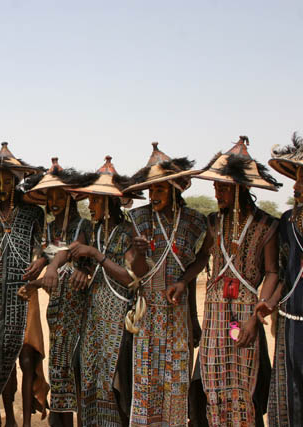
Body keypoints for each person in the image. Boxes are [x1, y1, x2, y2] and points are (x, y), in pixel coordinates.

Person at [123, 142, 212, 426]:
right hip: (147, 314)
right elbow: (138, 272)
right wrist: (138, 253)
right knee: (146, 382)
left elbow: (199, 261)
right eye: (150, 190)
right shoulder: (138, 219)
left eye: (159, 189)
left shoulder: (194, 222)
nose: (153, 195)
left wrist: (188, 295)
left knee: (176, 382)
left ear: (175, 190)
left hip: (178, 314)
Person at [193, 136, 280, 425]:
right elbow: (202, 258)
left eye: (223, 187)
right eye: (215, 186)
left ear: (241, 188)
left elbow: (272, 272)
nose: (217, 192)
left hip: (246, 315)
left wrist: (257, 315)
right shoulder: (213, 222)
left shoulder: (266, 225)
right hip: (214, 314)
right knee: (213, 387)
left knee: (244, 389)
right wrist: (182, 281)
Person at [64, 156, 143, 426]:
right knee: (88, 375)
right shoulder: (90, 229)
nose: (90, 206)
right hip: (93, 317)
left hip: (117, 319)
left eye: (95, 201)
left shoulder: (126, 232)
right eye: (89, 200)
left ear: (109, 202)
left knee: (114, 381)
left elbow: (130, 278)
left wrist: (96, 255)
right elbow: (75, 255)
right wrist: (82, 266)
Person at [0, 142, 48, 427]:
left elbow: (43, 247)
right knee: (0, 357)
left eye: (8, 181)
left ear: (17, 182)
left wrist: (40, 262)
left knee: (27, 358)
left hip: (25, 291)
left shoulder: (32, 214)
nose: (3, 186)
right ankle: (9, 420)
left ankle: (27, 422)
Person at [20, 157, 91, 426]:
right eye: (50, 197)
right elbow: (48, 255)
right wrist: (38, 270)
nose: (54, 202)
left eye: (60, 196)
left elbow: (69, 252)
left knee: (77, 367)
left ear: (70, 197)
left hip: (78, 308)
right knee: (59, 367)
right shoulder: (49, 229)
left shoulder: (82, 226)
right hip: (57, 311)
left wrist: (48, 267)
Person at [266, 132, 303, 426]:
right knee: (292, 397)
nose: (296, 185)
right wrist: (269, 303)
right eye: (297, 178)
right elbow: (282, 272)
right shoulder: (288, 221)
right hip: (291, 322)